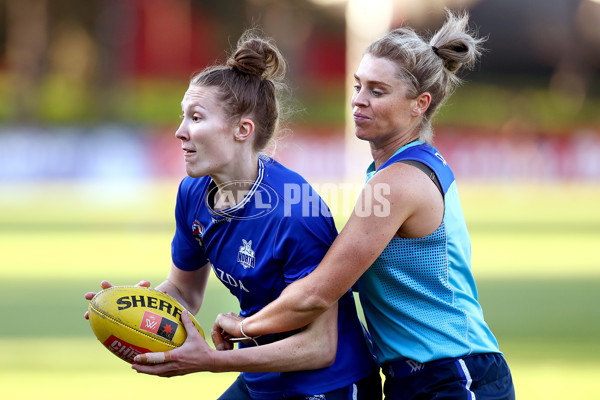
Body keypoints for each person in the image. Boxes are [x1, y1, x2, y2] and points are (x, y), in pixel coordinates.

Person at [213, 11, 515, 400]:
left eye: (377, 90)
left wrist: (242, 327)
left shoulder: (397, 182)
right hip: (421, 376)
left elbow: (317, 294)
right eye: (358, 85)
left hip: (454, 373)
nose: (358, 100)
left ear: (419, 104)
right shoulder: (401, 168)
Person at [84, 31, 381, 400]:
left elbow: (320, 346)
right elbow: (184, 291)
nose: (180, 132)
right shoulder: (193, 193)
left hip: (329, 384)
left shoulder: (296, 210)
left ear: (243, 130)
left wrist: (209, 359)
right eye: (183, 117)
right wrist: (129, 307)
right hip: (261, 377)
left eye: (195, 117)